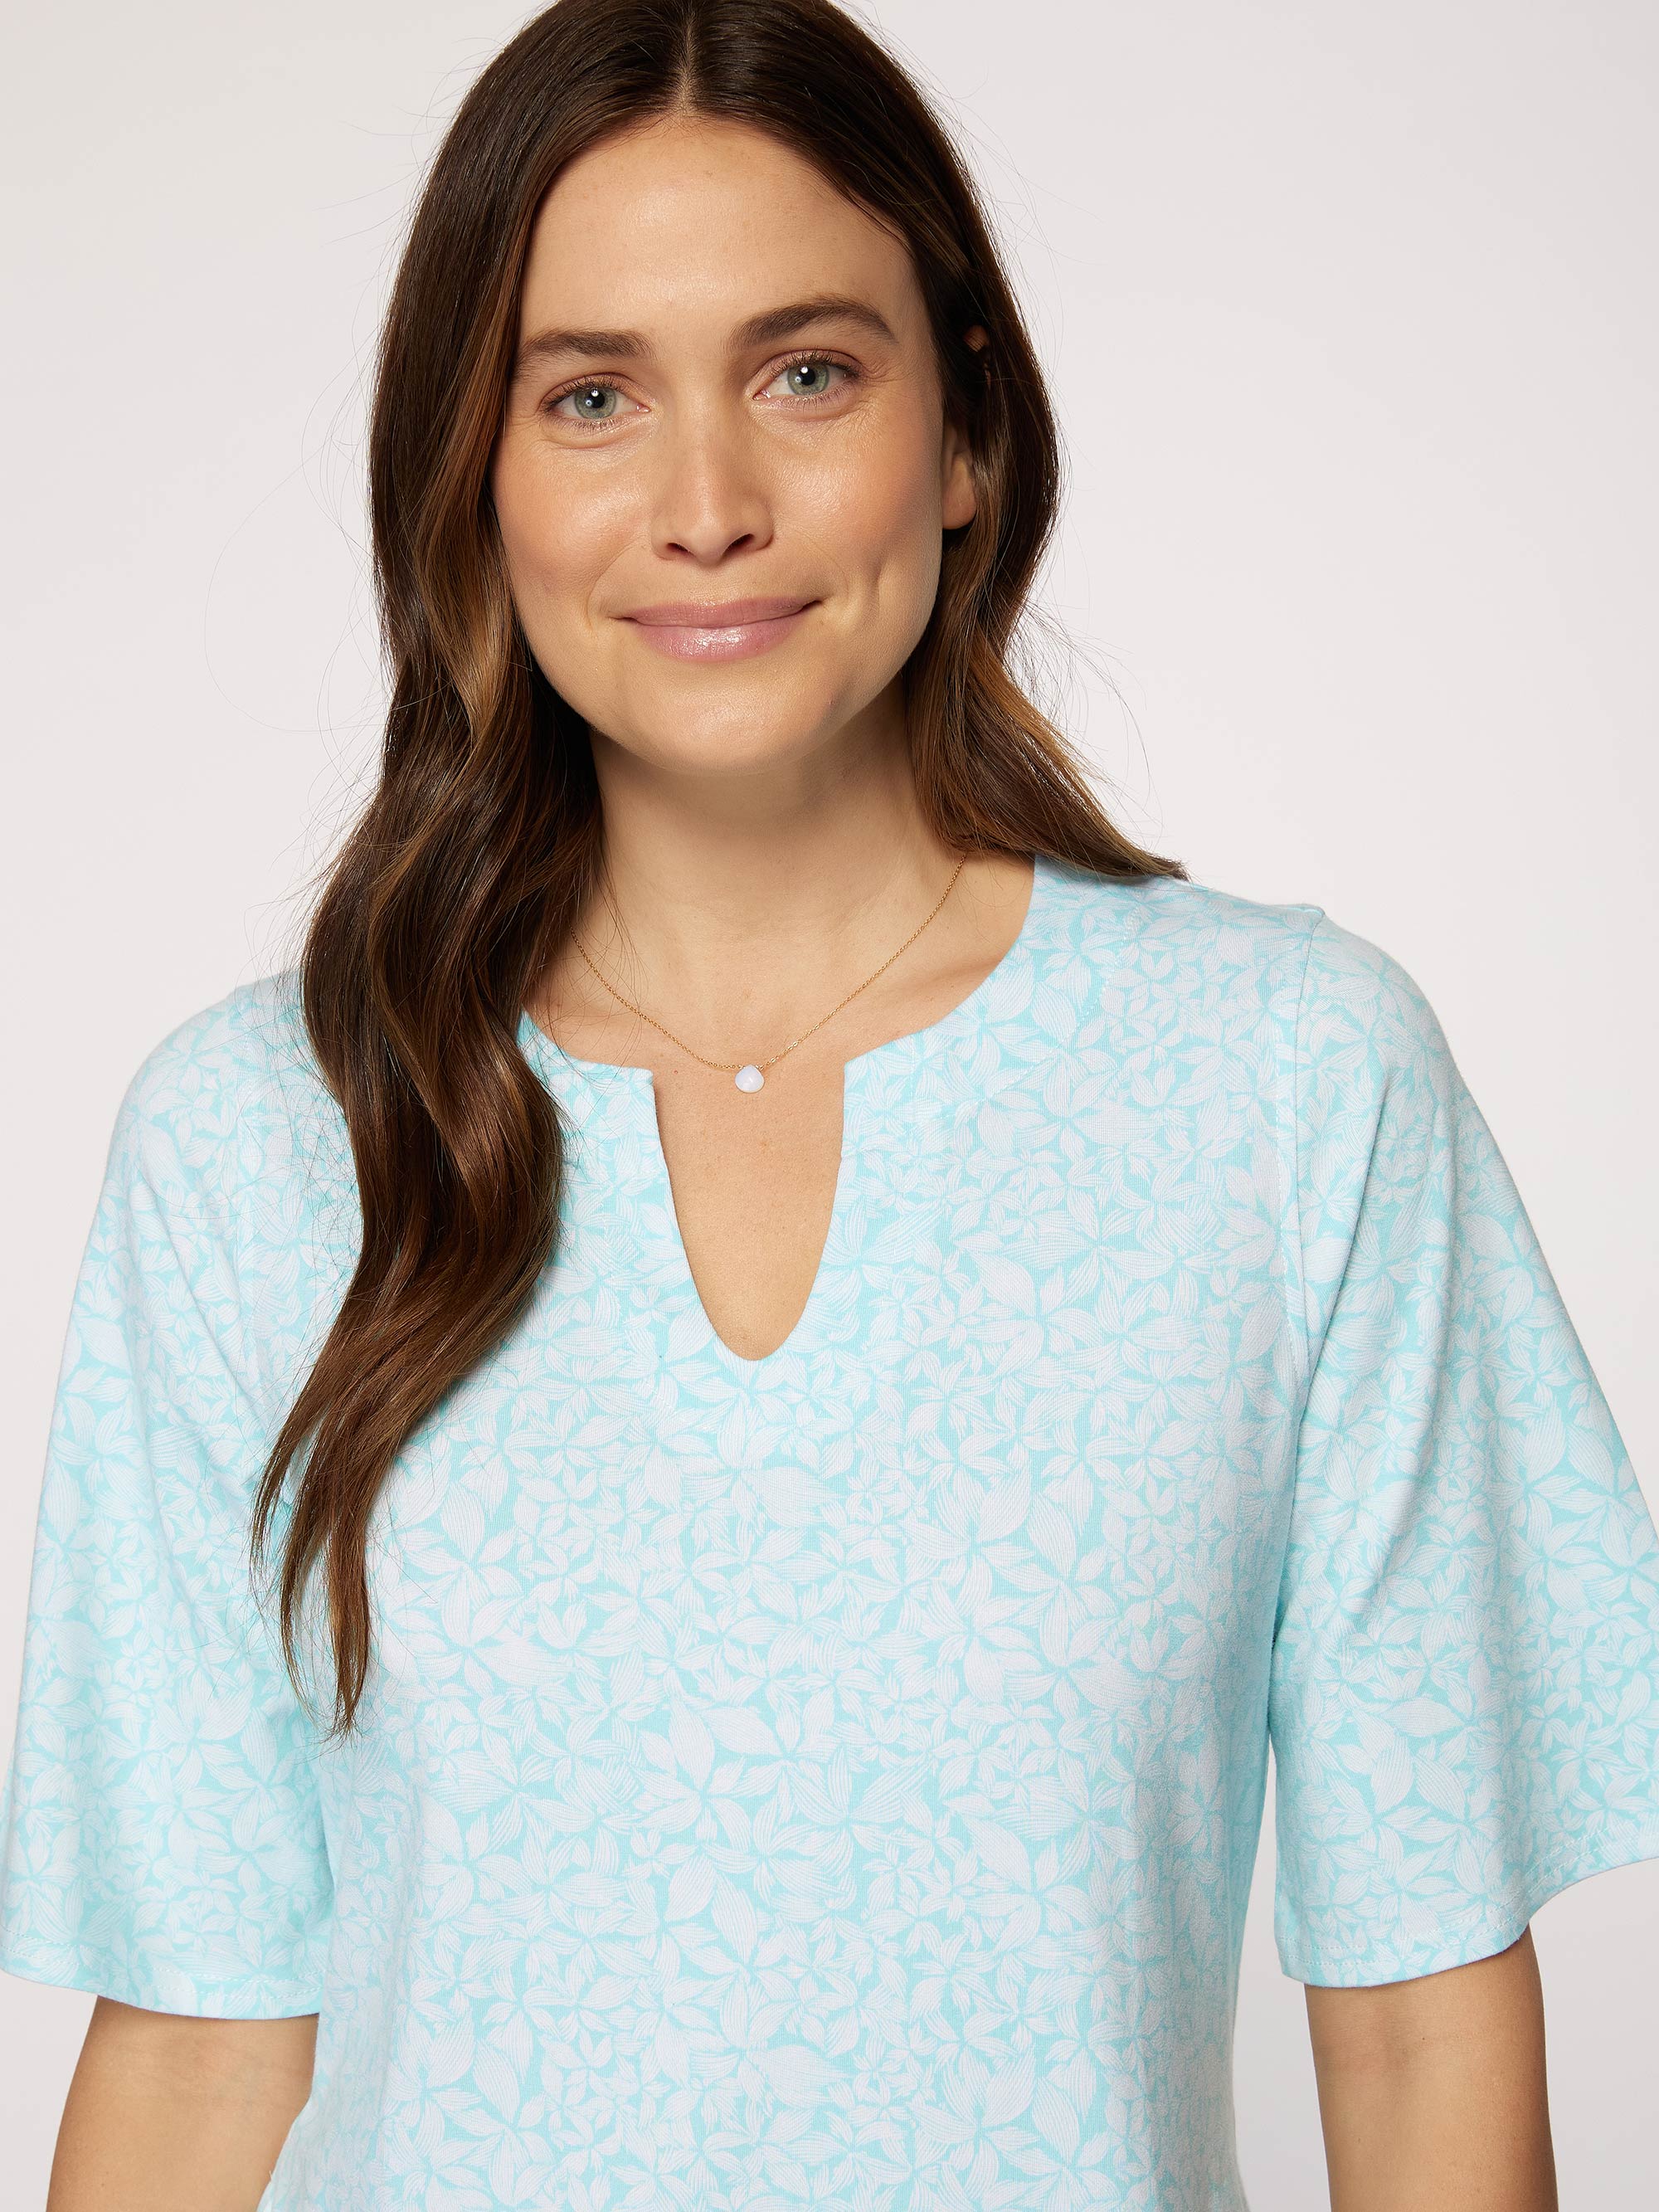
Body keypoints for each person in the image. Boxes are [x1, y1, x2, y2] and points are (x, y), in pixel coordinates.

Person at [2, 2, 1657, 2206]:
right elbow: (200, 2055)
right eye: (591, 397)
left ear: (965, 430)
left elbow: (1426, 2025)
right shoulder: (261, 1140)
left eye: (806, 374)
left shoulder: (1290, 1089)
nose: (707, 509)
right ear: (474, 477)